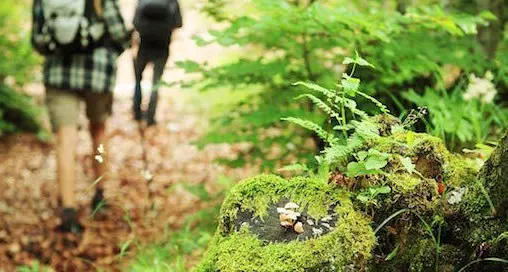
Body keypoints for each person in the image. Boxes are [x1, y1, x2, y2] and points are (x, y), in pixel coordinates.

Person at [32, 0, 132, 233]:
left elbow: (38, 40)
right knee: (98, 131)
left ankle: (68, 211)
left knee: (65, 140)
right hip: (97, 73)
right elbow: (119, 32)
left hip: (58, 73)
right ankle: (100, 193)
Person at [132, 0, 182, 126]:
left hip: (144, 46)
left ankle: (137, 113)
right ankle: (150, 117)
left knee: (138, 79)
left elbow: (135, 22)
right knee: (156, 83)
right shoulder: (172, 2)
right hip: (162, 46)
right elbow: (178, 23)